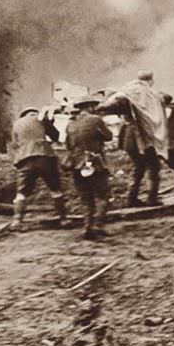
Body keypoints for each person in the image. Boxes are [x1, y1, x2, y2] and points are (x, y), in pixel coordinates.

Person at [99, 70, 168, 207]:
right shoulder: (150, 94)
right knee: (153, 166)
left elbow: (109, 105)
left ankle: (131, 198)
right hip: (143, 135)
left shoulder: (127, 90)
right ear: (151, 80)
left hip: (128, 137)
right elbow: (166, 99)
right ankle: (152, 198)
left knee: (139, 166)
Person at [64, 96, 113, 240]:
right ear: (90, 107)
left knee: (85, 198)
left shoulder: (70, 124)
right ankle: (98, 226)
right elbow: (108, 136)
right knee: (103, 195)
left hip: (76, 164)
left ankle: (87, 227)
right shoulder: (95, 120)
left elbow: (68, 145)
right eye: (94, 106)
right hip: (94, 162)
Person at [10, 107, 66, 230]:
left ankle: (17, 221)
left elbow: (15, 143)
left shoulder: (17, 124)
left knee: (21, 192)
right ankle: (63, 219)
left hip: (25, 159)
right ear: (35, 112)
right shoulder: (41, 119)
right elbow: (55, 136)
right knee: (55, 189)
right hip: (44, 157)